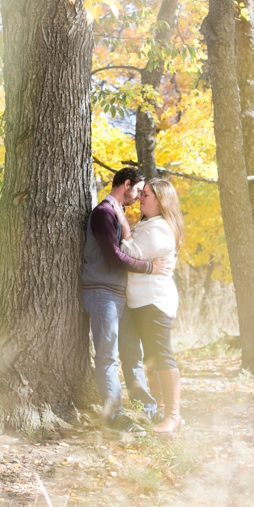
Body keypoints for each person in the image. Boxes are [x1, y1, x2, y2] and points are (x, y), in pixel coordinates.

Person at [82, 167, 173, 434]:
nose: (138, 197)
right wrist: (149, 268)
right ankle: (114, 416)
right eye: (138, 191)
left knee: (133, 355)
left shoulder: (118, 214)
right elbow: (113, 257)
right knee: (108, 356)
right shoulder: (103, 213)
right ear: (126, 184)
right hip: (102, 293)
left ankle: (147, 409)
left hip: (120, 295)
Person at [116, 178, 184, 434]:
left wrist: (122, 224)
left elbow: (127, 252)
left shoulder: (159, 230)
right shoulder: (149, 224)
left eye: (146, 195)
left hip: (154, 301)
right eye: (141, 193)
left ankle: (173, 416)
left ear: (161, 200)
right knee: (151, 358)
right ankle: (160, 411)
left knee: (161, 354)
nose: (140, 198)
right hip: (142, 301)